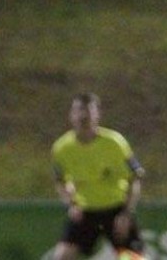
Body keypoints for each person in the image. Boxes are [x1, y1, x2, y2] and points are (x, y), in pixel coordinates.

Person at [51, 93, 145, 259]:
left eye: (88, 111)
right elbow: (60, 181)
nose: (83, 116)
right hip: (86, 212)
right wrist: (71, 204)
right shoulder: (61, 148)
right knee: (61, 256)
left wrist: (126, 214)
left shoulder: (115, 143)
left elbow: (135, 178)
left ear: (97, 115)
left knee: (134, 257)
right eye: (78, 111)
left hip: (115, 209)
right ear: (71, 115)